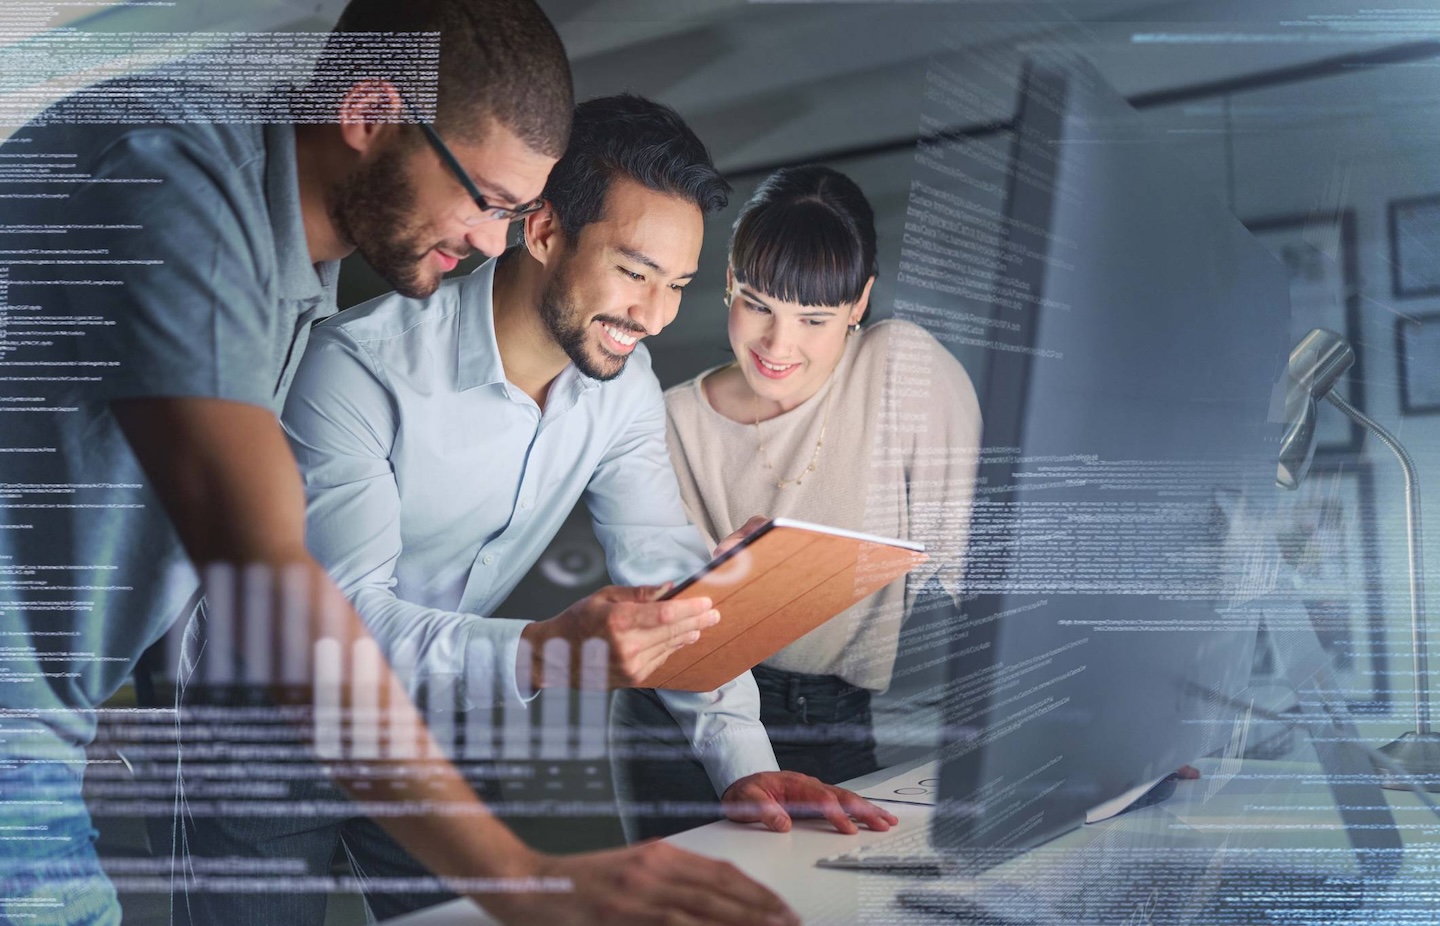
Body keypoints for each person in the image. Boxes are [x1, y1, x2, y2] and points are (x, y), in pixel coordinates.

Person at [0, 2, 800, 925]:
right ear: (372, 112)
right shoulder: (172, 170)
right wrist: (525, 877)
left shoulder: (296, 259)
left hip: (57, 729)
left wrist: (752, 768)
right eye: (491, 202)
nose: (496, 242)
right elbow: (271, 579)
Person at [278, 96, 898, 918]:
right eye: (635, 272)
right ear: (541, 231)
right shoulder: (354, 372)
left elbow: (664, 567)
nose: (654, 315)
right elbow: (345, 620)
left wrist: (745, 764)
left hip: (431, 719)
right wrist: (540, 651)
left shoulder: (621, 389)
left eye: (677, 285)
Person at [611, 164, 984, 840]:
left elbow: (977, 575)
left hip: (833, 712)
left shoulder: (902, 370)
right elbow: (666, 628)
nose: (778, 347)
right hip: (685, 725)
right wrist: (727, 594)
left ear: (859, 302)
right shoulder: (670, 422)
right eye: (757, 303)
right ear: (728, 279)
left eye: (814, 318)